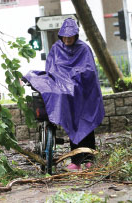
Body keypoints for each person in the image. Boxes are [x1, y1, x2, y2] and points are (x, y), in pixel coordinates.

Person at [23, 18, 105, 171]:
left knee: (86, 124)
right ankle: (76, 161)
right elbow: (51, 69)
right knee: (73, 125)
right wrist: (62, 80)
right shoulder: (56, 49)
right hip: (67, 95)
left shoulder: (84, 49)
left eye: (70, 37)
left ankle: (89, 159)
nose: (67, 39)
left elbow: (89, 71)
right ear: (61, 36)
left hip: (83, 96)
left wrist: (74, 77)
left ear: (76, 36)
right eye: (65, 37)